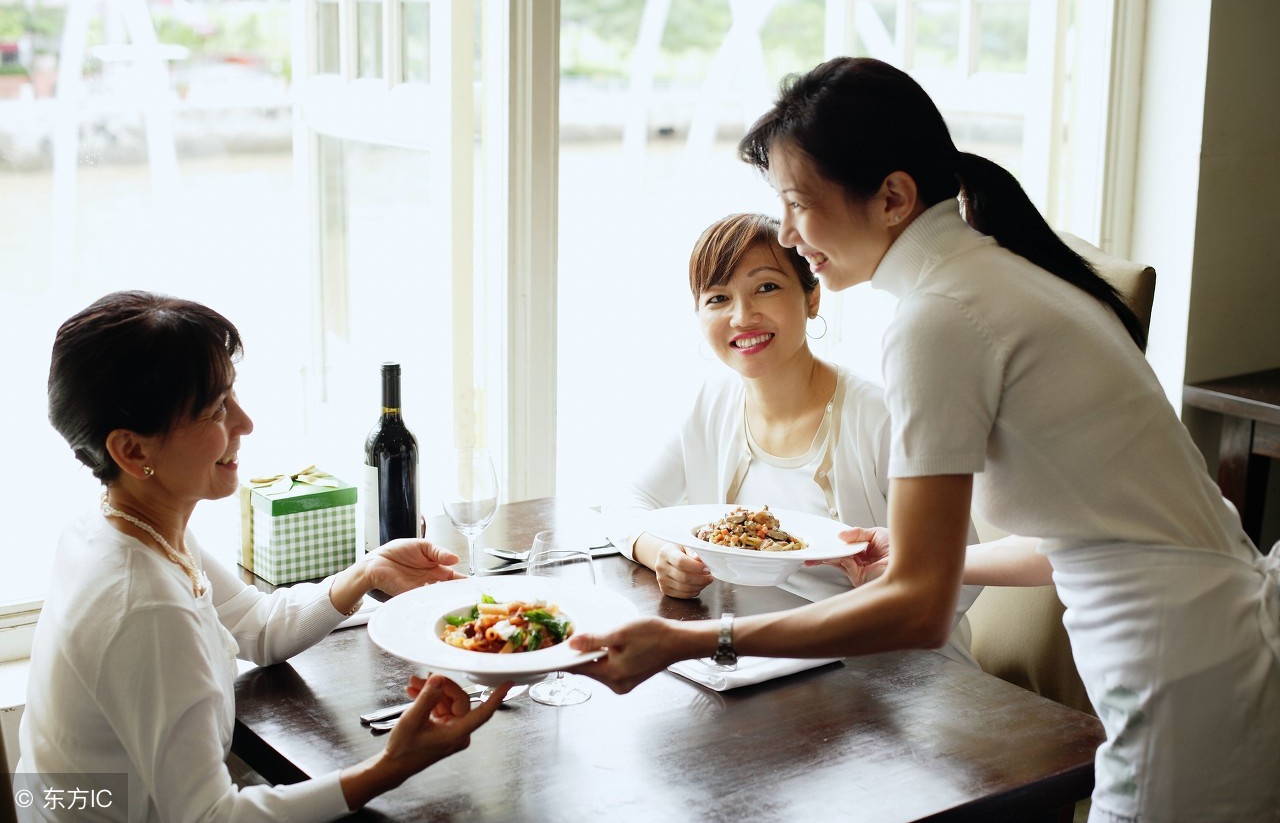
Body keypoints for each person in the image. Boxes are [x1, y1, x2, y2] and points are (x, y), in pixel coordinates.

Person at [571, 57, 1280, 823]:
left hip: (1179, 672)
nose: (786, 234)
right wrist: (929, 555)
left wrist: (694, 641)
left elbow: (920, 611)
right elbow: (1096, 532)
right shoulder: (991, 276)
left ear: (893, 196)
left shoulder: (938, 317)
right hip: (1214, 644)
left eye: (797, 205)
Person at [17, 291, 511, 821]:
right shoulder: (146, 605)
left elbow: (255, 625)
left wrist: (368, 570)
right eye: (215, 410)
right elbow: (211, 817)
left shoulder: (121, 526)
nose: (245, 422)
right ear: (132, 450)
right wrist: (391, 766)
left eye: (232, 396)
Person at [603, 211, 982, 667]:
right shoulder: (712, 402)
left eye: (767, 287)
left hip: (897, 667)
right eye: (718, 298)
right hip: (764, 658)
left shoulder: (883, 417)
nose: (743, 317)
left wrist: (884, 588)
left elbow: (967, 568)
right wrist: (662, 554)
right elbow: (626, 502)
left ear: (813, 296)